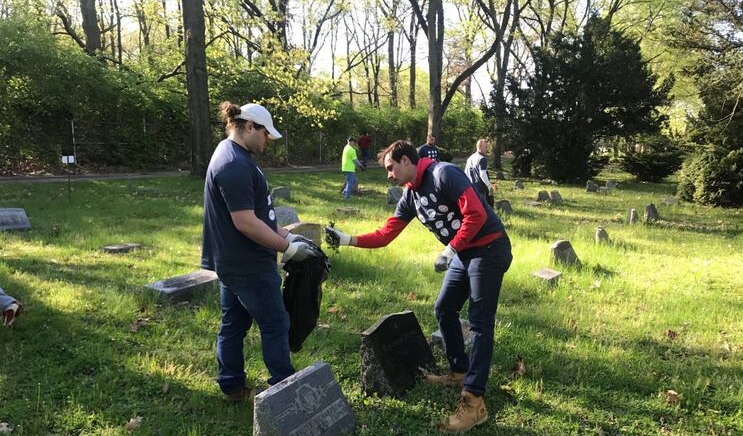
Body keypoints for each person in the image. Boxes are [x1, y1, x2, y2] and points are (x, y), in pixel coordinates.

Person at [325, 141, 512, 432]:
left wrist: (450, 250)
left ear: (405, 160)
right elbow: (386, 234)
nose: (388, 174)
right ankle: (460, 371)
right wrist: (348, 239)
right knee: (445, 309)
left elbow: (476, 213)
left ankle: (474, 403)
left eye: (390, 168)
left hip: (489, 248)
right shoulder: (410, 195)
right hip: (464, 253)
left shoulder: (443, 174)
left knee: (479, 323)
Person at [201, 101, 322, 402]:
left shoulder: (233, 155)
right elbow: (244, 222)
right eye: (266, 134)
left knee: (234, 323)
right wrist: (287, 248)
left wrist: (289, 237)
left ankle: (232, 386)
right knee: (276, 323)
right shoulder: (233, 164)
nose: (268, 141)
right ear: (250, 126)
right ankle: (284, 389)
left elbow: (261, 216)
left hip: (233, 260)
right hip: (248, 263)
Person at [464, 138, 494, 207]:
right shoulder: (482, 159)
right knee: (483, 209)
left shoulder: (470, 158)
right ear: (480, 147)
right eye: (485, 147)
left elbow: (465, 173)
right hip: (480, 188)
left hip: (470, 187)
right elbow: (483, 174)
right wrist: (489, 186)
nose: (487, 149)